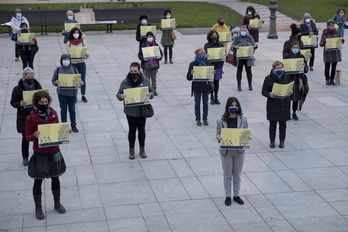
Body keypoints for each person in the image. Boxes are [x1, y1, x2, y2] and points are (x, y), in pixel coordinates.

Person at [25, 90, 67, 220]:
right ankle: (38, 207)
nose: (44, 104)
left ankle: (57, 203)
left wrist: (66, 131)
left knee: (56, 177)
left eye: (46, 102)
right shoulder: (30, 118)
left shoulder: (53, 113)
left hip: (54, 151)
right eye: (42, 102)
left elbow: (58, 129)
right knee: (38, 180)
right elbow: (27, 137)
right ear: (37, 103)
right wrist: (34, 136)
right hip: (40, 153)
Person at [116, 62, 155, 160]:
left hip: (142, 110)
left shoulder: (145, 80)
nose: (133, 73)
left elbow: (152, 91)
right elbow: (118, 94)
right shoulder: (125, 82)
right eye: (131, 71)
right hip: (130, 111)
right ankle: (131, 150)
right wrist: (121, 96)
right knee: (132, 130)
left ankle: (142, 149)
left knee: (142, 130)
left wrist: (150, 95)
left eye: (135, 71)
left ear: (139, 71)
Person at [216, 97, 249, 206]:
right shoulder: (220, 120)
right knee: (227, 175)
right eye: (232, 106)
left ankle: (236, 195)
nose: (234, 108)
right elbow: (217, 133)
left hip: (239, 151)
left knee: (237, 175)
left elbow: (246, 131)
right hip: (227, 151)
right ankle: (228, 196)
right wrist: (219, 138)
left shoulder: (243, 119)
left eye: (236, 106)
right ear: (227, 107)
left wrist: (248, 137)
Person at [10, 67, 42, 166]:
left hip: (36, 116)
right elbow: (13, 102)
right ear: (24, 78)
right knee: (26, 138)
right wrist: (20, 104)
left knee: (38, 137)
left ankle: (38, 155)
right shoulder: (17, 89)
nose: (31, 78)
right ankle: (25, 157)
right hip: (24, 118)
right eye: (28, 77)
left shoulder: (37, 86)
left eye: (32, 76)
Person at [261, 61, 292, 149]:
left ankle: (282, 141)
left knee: (283, 124)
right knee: (273, 124)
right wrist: (269, 94)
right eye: (278, 68)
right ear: (274, 69)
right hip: (273, 104)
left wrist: (290, 91)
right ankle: (272, 141)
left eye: (281, 68)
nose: (280, 70)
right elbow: (263, 91)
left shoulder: (286, 76)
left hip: (284, 104)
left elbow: (289, 86)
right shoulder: (268, 78)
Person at [52, 54, 84, 133]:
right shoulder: (58, 69)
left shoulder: (74, 69)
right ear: (61, 60)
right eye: (64, 59)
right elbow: (53, 81)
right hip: (62, 93)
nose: (66, 60)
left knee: (72, 109)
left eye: (67, 59)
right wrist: (56, 82)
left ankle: (73, 125)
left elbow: (79, 79)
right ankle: (64, 126)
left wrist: (80, 82)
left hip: (72, 93)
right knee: (63, 110)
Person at [186, 48, 215, 126]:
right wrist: (191, 74)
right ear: (196, 54)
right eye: (199, 53)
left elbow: (212, 77)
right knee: (197, 103)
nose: (200, 54)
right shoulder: (192, 64)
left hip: (206, 86)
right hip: (197, 86)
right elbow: (188, 77)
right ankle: (198, 119)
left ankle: (205, 118)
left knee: (205, 103)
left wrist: (213, 73)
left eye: (202, 53)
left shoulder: (208, 63)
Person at [283, 41, 308, 120]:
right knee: (288, 96)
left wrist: (304, 66)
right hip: (289, 79)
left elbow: (306, 70)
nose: (295, 49)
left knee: (296, 97)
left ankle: (294, 112)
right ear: (291, 48)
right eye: (294, 48)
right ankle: (287, 112)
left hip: (298, 79)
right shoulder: (287, 57)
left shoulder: (301, 57)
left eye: (297, 48)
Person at [231, 26, 257, 91]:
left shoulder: (249, 37)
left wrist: (255, 46)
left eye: (244, 30)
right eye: (242, 30)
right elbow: (232, 46)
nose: (243, 32)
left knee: (249, 71)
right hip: (240, 58)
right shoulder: (237, 38)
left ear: (246, 31)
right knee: (239, 71)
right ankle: (239, 85)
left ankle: (250, 84)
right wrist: (235, 47)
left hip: (248, 57)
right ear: (240, 31)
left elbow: (254, 44)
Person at [67, 27, 89, 103]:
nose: (76, 34)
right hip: (73, 63)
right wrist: (68, 55)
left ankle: (83, 95)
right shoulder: (69, 42)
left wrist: (86, 55)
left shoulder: (83, 42)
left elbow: (85, 51)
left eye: (77, 33)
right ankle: (74, 95)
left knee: (82, 79)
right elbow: (67, 53)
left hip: (81, 62)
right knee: (74, 80)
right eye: (74, 33)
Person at [204, 30, 225, 105]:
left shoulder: (220, 44)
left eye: (215, 35)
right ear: (210, 36)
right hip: (210, 65)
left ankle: (216, 96)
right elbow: (205, 56)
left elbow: (222, 57)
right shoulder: (207, 45)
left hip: (218, 66)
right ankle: (212, 96)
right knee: (211, 82)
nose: (214, 36)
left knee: (217, 82)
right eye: (212, 35)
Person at [138, 31, 163, 96]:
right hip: (146, 65)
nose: (150, 38)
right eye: (148, 37)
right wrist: (143, 59)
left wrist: (159, 57)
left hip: (154, 65)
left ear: (153, 37)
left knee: (154, 79)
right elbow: (140, 54)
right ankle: (147, 90)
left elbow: (160, 53)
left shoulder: (156, 45)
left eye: (151, 37)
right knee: (146, 79)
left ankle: (154, 90)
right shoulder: (143, 45)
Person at [320, 20, 344, 86]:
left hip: (335, 53)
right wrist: (323, 43)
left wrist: (341, 41)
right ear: (328, 26)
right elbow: (320, 43)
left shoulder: (337, 32)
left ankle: (332, 79)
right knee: (327, 66)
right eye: (330, 25)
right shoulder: (325, 33)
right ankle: (327, 79)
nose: (332, 27)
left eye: (333, 25)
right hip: (327, 53)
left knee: (334, 67)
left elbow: (339, 40)